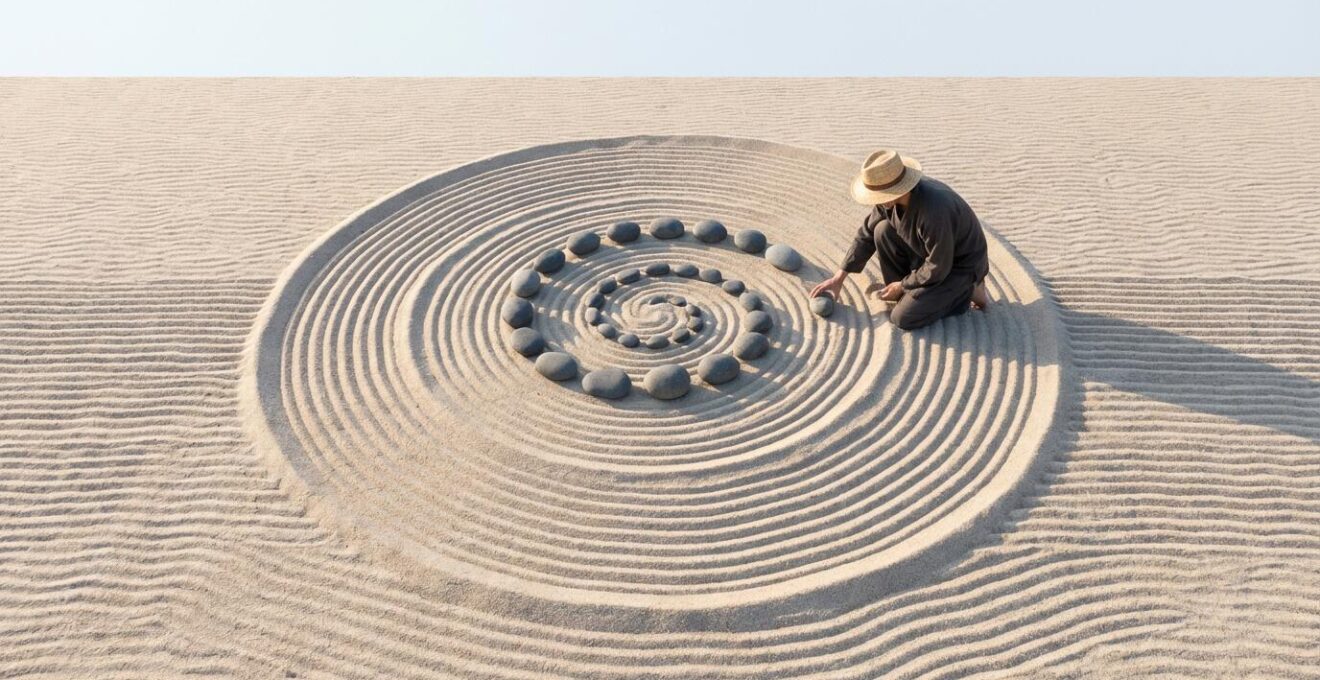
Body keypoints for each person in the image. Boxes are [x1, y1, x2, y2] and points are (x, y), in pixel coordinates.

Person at [810, 149, 991, 330]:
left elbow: (938, 266)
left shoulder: (934, 211)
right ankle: (911, 291)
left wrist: (903, 284)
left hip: (958, 267)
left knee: (902, 318)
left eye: (883, 195)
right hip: (932, 255)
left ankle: (969, 291)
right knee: (882, 230)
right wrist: (839, 277)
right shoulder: (889, 201)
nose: (880, 201)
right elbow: (866, 233)